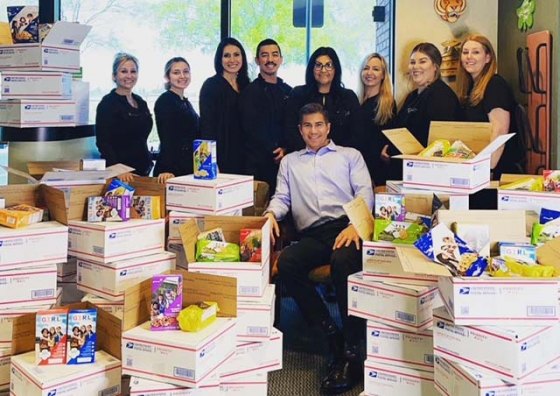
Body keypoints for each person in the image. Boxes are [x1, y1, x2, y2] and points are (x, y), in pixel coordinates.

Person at [265, 103, 373, 394]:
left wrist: (356, 225)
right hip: (312, 233)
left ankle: (351, 350)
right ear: (300, 130)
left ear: (328, 127)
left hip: (345, 227)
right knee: (287, 263)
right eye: (307, 126)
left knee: (343, 263)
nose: (314, 131)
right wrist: (270, 215)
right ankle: (330, 333)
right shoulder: (290, 163)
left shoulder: (350, 156)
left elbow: (365, 193)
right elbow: (282, 198)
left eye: (319, 125)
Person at [384, 43, 460, 180]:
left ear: (435, 66)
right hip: (404, 171)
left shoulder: (441, 96)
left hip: (427, 175)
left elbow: (440, 143)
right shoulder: (412, 96)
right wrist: (389, 148)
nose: (416, 66)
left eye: (422, 61)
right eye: (412, 62)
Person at [456, 34, 526, 179]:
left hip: (496, 171)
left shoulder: (495, 85)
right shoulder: (470, 88)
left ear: (487, 58)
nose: (469, 57)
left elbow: (499, 130)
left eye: (476, 52)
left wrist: (488, 167)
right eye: (465, 52)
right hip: (476, 166)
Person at [239, 38, 292, 196]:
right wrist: (273, 150)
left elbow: (292, 125)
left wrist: (286, 149)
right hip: (257, 166)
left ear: (281, 59)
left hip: (285, 163)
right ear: (257, 60)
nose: (270, 60)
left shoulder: (288, 91)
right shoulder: (249, 92)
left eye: (275, 55)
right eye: (265, 55)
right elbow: (250, 129)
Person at [284, 47, 362, 152]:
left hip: (340, 159)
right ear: (312, 68)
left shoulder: (348, 97)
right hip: (303, 158)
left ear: (335, 69)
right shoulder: (298, 94)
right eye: (318, 65)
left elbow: (356, 132)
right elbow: (290, 128)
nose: (323, 70)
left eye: (328, 65)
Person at [96, 53, 153, 182]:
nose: (129, 76)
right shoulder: (108, 103)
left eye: (133, 71)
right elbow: (103, 142)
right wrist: (118, 169)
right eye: (123, 71)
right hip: (120, 174)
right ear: (114, 76)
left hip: (142, 171)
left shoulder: (141, 102)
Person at [199, 37, 250, 174]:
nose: (232, 60)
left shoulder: (247, 86)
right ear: (219, 59)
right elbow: (206, 125)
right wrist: (210, 162)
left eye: (236, 55)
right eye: (226, 55)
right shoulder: (211, 85)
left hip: (245, 155)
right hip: (221, 154)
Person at [153, 57, 200, 183]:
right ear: (168, 77)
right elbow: (167, 136)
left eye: (186, 71)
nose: (182, 76)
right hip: (170, 171)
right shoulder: (165, 101)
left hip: (186, 167)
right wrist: (167, 168)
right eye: (176, 72)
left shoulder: (185, 102)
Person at [356, 53, 396, 187]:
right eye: (366, 68)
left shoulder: (387, 104)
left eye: (376, 69)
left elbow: (382, 143)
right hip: (356, 168)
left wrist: (371, 175)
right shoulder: (356, 102)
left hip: (376, 171)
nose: (369, 72)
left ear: (383, 75)